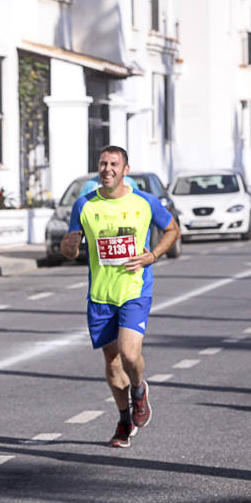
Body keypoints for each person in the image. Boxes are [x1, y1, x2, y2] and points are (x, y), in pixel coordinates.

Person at [60, 146, 180, 449]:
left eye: (114, 163)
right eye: (103, 163)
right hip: (101, 295)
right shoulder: (84, 205)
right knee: (112, 364)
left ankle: (139, 390)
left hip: (134, 290)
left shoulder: (145, 202)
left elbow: (172, 229)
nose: (107, 168)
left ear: (125, 169)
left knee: (129, 354)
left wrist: (152, 255)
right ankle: (124, 419)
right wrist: (70, 244)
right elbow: (70, 251)